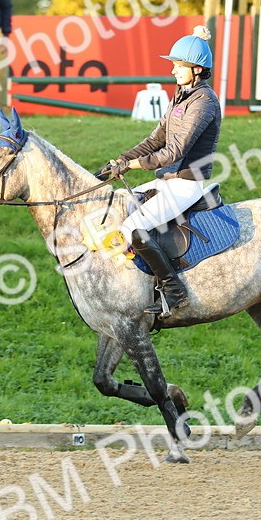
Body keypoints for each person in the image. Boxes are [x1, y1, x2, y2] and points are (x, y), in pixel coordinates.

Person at [101, 26, 222, 316]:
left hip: (186, 184)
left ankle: (173, 290)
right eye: (174, 65)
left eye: (179, 66)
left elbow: (174, 151)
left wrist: (132, 165)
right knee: (118, 199)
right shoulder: (180, 97)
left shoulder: (204, 103)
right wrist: (119, 160)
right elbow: (156, 140)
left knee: (133, 228)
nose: (173, 71)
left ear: (196, 69)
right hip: (168, 181)